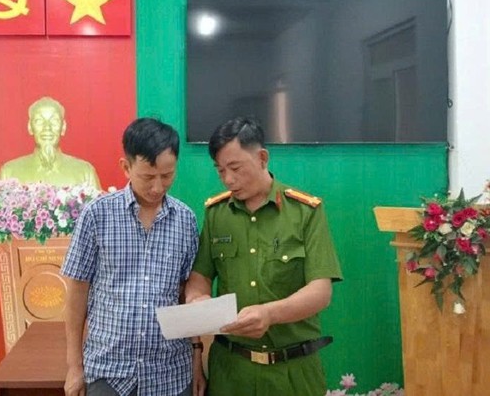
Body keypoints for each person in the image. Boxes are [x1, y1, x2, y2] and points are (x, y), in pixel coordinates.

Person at [185, 116, 342, 396]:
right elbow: (200, 278)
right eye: (220, 171)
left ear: (262, 158)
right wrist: (198, 301)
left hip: (293, 372)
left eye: (235, 168)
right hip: (231, 372)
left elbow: (321, 292)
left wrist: (270, 314)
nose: (228, 179)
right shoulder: (217, 215)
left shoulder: (305, 212)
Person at [60, 117, 206, 396]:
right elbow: (77, 293)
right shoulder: (97, 216)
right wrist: (74, 366)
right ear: (125, 167)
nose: (158, 187)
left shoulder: (185, 220)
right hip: (109, 371)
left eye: (167, 175)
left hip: (170, 373)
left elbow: (186, 296)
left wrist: (197, 360)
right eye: (148, 177)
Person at [0, 96, 101, 188]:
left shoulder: (85, 172)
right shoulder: (9, 173)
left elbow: (99, 204)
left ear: (63, 127)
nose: (47, 127)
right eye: (39, 121)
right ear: (30, 127)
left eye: (54, 121)